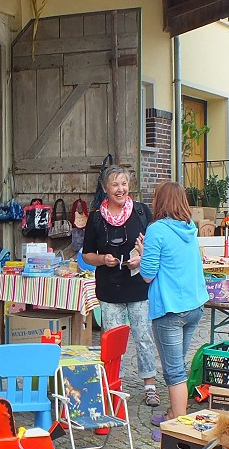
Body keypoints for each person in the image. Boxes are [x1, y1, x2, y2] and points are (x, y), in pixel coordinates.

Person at [82, 165, 160, 406]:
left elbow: (154, 245)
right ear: (106, 189)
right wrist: (102, 259)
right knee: (113, 340)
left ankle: (149, 385)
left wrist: (142, 257)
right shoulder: (95, 218)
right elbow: (86, 255)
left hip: (138, 286)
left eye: (124, 184)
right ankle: (115, 385)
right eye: (115, 184)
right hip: (109, 287)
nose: (120, 189)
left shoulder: (141, 212)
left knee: (143, 336)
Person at [140, 182, 209, 421]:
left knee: (174, 369)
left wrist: (142, 253)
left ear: (160, 202)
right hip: (194, 306)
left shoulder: (157, 230)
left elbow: (148, 275)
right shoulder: (190, 227)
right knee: (178, 363)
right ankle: (173, 411)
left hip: (170, 309)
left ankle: (177, 423)